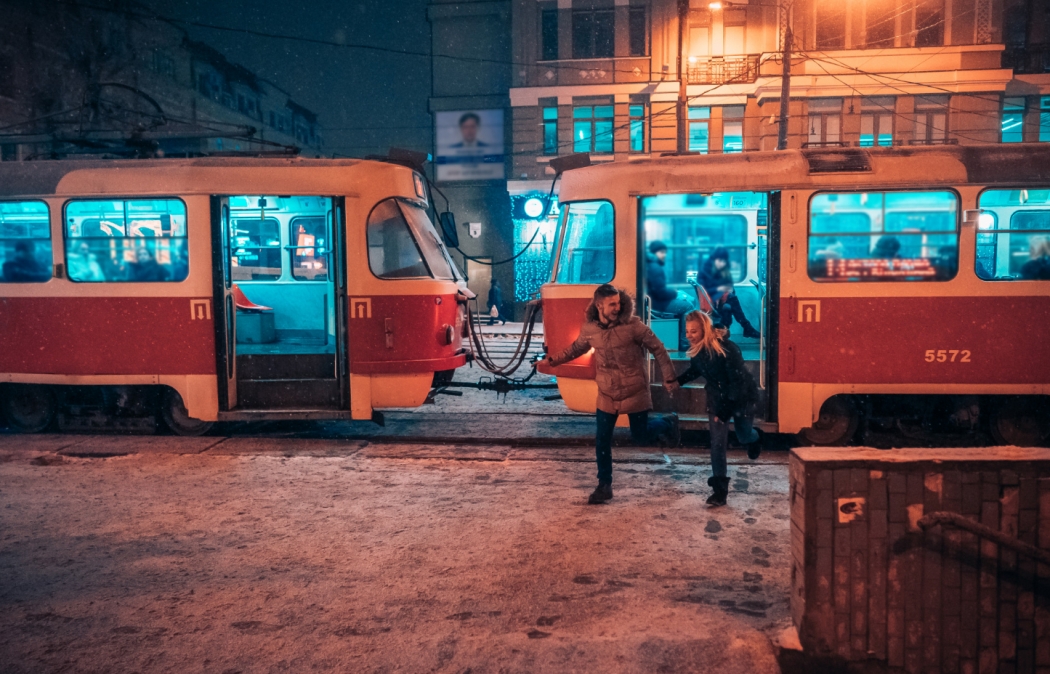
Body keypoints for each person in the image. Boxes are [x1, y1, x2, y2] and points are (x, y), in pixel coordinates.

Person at [545, 284, 681, 504]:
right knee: (602, 440)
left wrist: (669, 377)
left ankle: (668, 421)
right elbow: (575, 348)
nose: (617, 307)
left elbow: (658, 347)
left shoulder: (633, 326)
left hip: (633, 389)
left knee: (640, 437)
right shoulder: (590, 328)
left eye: (618, 303)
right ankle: (604, 485)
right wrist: (551, 361)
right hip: (607, 393)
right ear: (599, 305)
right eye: (612, 304)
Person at [676, 310, 761, 507]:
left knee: (743, 434)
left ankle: (756, 438)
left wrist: (724, 411)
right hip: (717, 397)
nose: (688, 336)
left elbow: (737, 384)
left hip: (742, 398)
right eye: (687, 331)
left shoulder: (728, 349)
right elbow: (697, 370)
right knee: (717, 443)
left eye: (693, 332)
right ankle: (719, 491)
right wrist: (678, 381)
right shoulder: (698, 351)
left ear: (704, 331)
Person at [699, 247, 760, 339]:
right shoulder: (708, 272)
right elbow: (709, 291)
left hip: (721, 301)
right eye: (720, 260)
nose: (722, 263)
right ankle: (746, 327)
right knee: (731, 300)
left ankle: (742, 328)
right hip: (713, 303)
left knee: (729, 305)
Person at [646, 240, 693, 351]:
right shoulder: (654, 267)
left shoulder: (650, 265)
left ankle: (683, 338)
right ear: (654, 253)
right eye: (661, 252)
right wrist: (674, 293)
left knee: (686, 298)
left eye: (665, 252)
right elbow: (660, 292)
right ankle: (685, 343)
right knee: (688, 306)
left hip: (654, 300)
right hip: (658, 304)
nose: (664, 255)